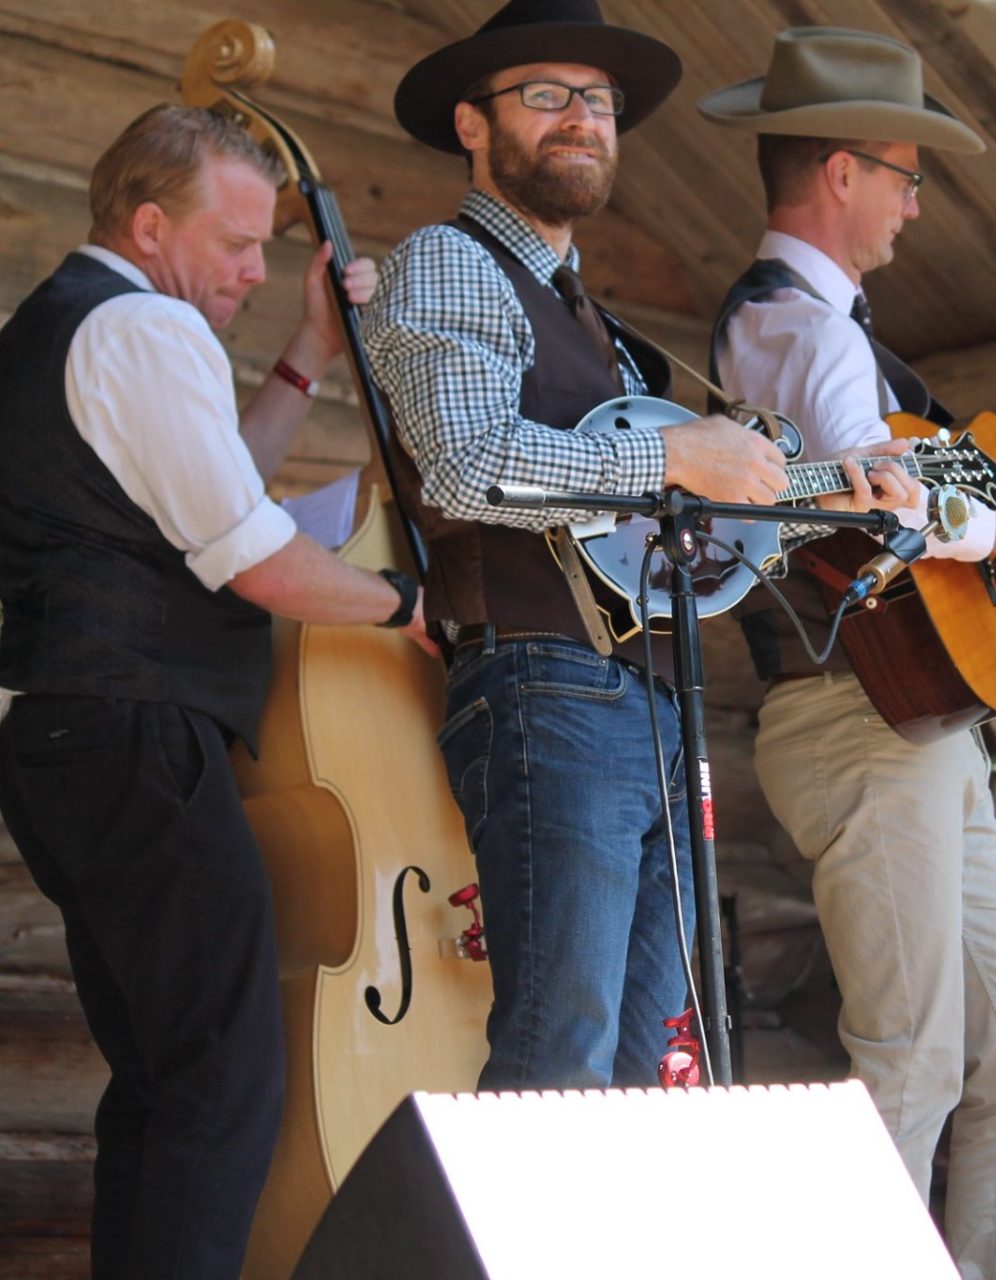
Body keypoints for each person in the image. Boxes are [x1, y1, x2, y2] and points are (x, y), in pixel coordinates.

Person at [362, 0, 909, 1093]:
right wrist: (674, 461)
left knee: (638, 1065)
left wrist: (822, 495)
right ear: (474, 124)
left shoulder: (598, 322)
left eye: (600, 102)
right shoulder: (452, 261)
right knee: (557, 1056)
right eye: (548, 96)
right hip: (544, 681)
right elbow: (470, 465)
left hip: (649, 700)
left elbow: (664, 512)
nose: (583, 119)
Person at [702, 28, 996, 1280]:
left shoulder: (841, 335)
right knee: (911, 1053)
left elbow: (917, 531)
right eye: (905, 172)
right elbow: (877, 493)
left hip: (919, 729)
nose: (915, 199)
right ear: (839, 173)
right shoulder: (798, 326)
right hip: (857, 718)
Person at [0, 105, 430, 1278]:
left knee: (165, 1081)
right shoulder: (145, 329)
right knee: (227, 1086)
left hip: (73, 737)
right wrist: (409, 606)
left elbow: (215, 494)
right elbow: (252, 555)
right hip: (139, 736)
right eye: (238, 243)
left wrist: (308, 356)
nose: (255, 267)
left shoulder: (72, 327)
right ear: (150, 225)